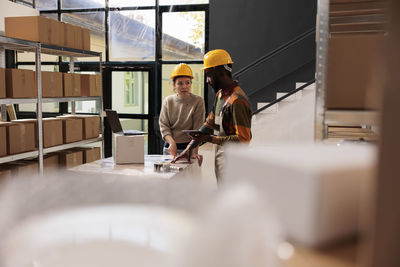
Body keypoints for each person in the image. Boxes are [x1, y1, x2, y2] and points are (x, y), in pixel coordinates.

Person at [172, 49, 252, 181]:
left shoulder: (237, 100)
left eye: (209, 75)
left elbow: (243, 139)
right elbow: (209, 123)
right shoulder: (221, 95)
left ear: (220, 73)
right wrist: (190, 147)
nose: (207, 80)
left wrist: (210, 139)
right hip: (222, 158)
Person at [159, 63, 205, 162]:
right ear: (174, 85)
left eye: (187, 83)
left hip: (189, 147)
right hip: (170, 147)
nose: (184, 86)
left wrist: (195, 151)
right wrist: (172, 143)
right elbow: (164, 126)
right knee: (170, 176)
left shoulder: (198, 101)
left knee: (189, 177)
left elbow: (198, 128)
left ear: (191, 84)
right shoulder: (168, 101)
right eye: (180, 83)